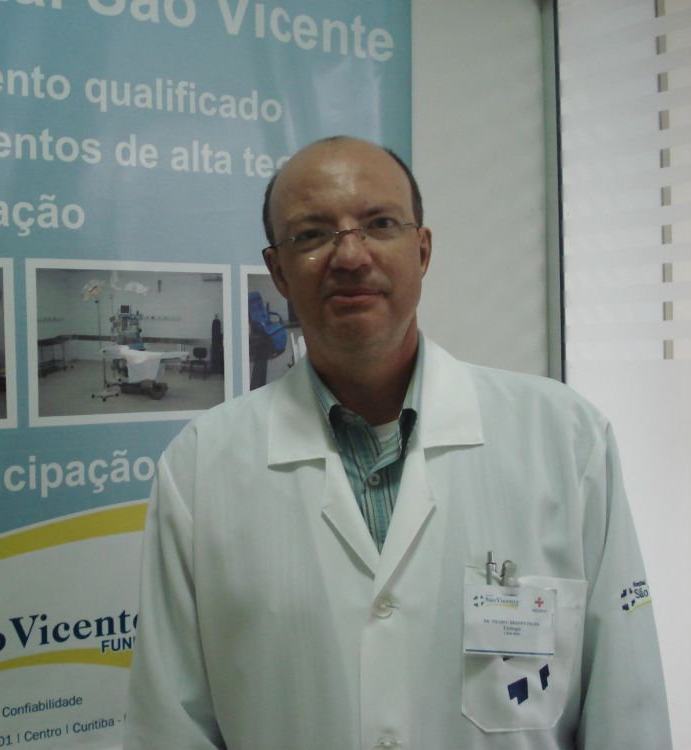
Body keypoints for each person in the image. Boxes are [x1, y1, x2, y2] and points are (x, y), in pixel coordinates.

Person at [123, 137, 671, 749]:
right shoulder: (201, 467)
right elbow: (170, 726)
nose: (351, 255)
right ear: (278, 271)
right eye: (312, 234)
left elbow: (627, 707)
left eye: (380, 224)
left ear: (423, 249)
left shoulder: (565, 439)